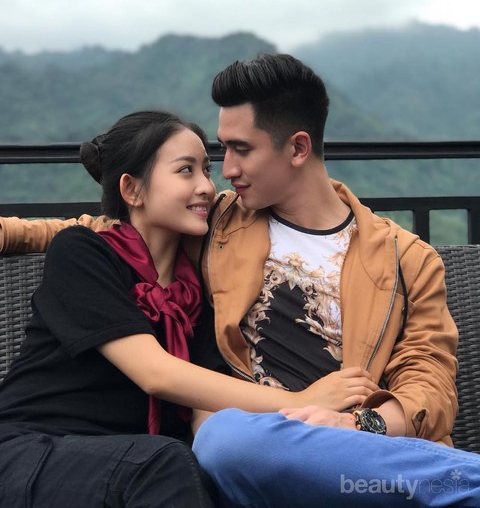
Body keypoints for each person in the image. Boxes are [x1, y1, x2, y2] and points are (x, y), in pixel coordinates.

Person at [1, 58, 480, 506]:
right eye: (219, 152)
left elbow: (429, 383)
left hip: (355, 453)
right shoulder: (217, 224)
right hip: (246, 450)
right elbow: (114, 229)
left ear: (298, 148)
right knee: (222, 439)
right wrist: (13, 232)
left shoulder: (407, 259)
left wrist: (357, 424)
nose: (224, 174)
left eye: (240, 150)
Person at [0, 110, 355, 508]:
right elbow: (156, 374)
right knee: (165, 463)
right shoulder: (84, 254)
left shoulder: (198, 292)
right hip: (33, 452)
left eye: (207, 169)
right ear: (132, 190)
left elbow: (207, 403)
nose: (207, 187)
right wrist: (305, 399)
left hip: (134, 468)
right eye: (186, 171)